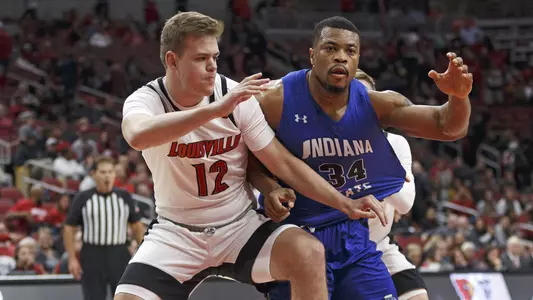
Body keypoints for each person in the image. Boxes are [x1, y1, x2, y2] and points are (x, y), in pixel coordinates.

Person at [114, 11, 386, 300]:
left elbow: (281, 161)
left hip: (238, 226)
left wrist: (344, 202)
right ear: (171, 60)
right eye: (200, 59)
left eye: (215, 58)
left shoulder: (232, 94)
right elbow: (137, 135)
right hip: (177, 232)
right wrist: (215, 111)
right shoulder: (148, 99)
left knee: (307, 253)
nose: (212, 67)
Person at [249, 16, 472, 300]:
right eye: (330, 48)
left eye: (350, 51)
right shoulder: (276, 100)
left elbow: (447, 127)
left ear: (357, 58)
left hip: (351, 231)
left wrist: (458, 98)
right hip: (296, 233)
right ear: (312, 54)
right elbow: (244, 150)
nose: (340, 56)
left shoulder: (375, 103)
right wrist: (268, 187)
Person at [357, 69, 428, 300]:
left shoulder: (394, 143)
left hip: (377, 244)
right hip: (329, 248)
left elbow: (405, 204)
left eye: (366, 98)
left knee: (417, 295)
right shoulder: (320, 141)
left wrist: (374, 153)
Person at [64, 156, 145, 300]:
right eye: (103, 172)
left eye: (110, 171)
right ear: (94, 174)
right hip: (92, 254)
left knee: (124, 296)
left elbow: (137, 226)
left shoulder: (125, 197)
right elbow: (69, 227)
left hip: (119, 253)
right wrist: (71, 258)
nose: (107, 175)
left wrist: (142, 255)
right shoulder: (83, 198)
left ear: (114, 174)